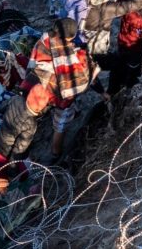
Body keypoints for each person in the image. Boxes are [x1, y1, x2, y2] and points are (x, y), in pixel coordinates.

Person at [24, 19, 102, 164]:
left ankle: (27, 147)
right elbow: (86, 76)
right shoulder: (75, 56)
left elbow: (33, 64)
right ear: (72, 37)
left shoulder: (43, 42)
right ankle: (55, 152)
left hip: (37, 92)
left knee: (30, 120)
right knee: (60, 124)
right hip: (61, 98)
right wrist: (102, 91)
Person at [0, 83, 51, 195]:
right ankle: (28, 195)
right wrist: (13, 168)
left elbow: (2, 107)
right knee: (24, 175)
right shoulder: (31, 124)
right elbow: (19, 149)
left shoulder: (17, 99)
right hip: (8, 157)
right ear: (40, 107)